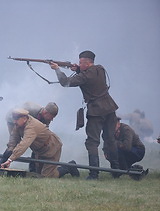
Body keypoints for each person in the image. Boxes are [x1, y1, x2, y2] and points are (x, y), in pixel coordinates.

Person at [49, 50, 119, 180]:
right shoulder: (100, 69)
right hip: (109, 108)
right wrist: (78, 70)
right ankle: (116, 170)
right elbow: (89, 77)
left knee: (92, 143)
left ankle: (94, 174)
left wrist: (57, 69)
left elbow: (65, 82)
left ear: (87, 63)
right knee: (110, 139)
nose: (79, 64)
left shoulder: (85, 76)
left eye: (81, 62)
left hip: (96, 110)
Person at [0, 109, 79, 178]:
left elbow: (24, 144)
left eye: (16, 119)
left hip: (51, 148)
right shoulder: (18, 125)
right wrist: (9, 151)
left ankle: (69, 167)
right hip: (39, 151)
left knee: (47, 177)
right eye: (14, 119)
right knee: (38, 174)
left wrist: (10, 159)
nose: (14, 121)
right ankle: (55, 168)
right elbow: (13, 139)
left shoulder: (31, 127)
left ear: (24, 119)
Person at [0, 102, 59, 171]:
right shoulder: (30, 108)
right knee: (14, 143)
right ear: (46, 112)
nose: (52, 119)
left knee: (36, 143)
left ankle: (33, 168)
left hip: (27, 127)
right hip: (13, 121)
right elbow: (18, 115)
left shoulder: (46, 119)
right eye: (52, 117)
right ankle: (2, 164)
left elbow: (45, 129)